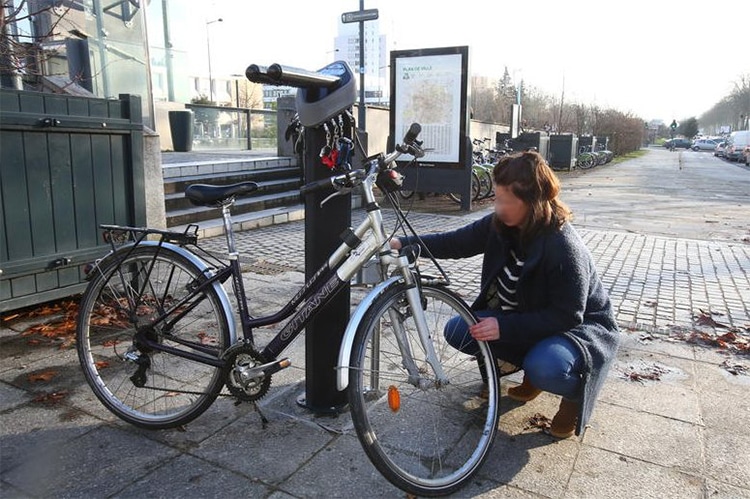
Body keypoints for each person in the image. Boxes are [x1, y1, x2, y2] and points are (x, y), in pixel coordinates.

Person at [390, 151, 620, 439]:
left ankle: (574, 394)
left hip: (579, 329)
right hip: (526, 315)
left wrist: (504, 327)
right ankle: (530, 369)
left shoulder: (562, 246)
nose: (497, 207)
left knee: (546, 367)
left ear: (531, 202)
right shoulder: (502, 223)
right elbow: (457, 242)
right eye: (496, 198)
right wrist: (405, 242)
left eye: (503, 201)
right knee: (459, 330)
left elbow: (567, 315)